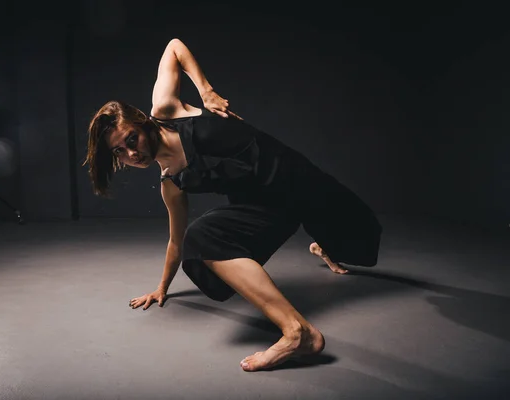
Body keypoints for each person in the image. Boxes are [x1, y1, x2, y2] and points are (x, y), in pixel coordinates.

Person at [83, 38, 382, 372]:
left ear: (140, 123)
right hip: (265, 208)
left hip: (289, 174)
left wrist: (206, 91)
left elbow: (174, 47)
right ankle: (297, 332)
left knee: (362, 241)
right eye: (120, 152)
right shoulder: (171, 182)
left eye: (131, 140)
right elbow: (176, 241)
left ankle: (324, 244)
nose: (131, 153)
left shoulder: (166, 110)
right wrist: (161, 288)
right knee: (201, 238)